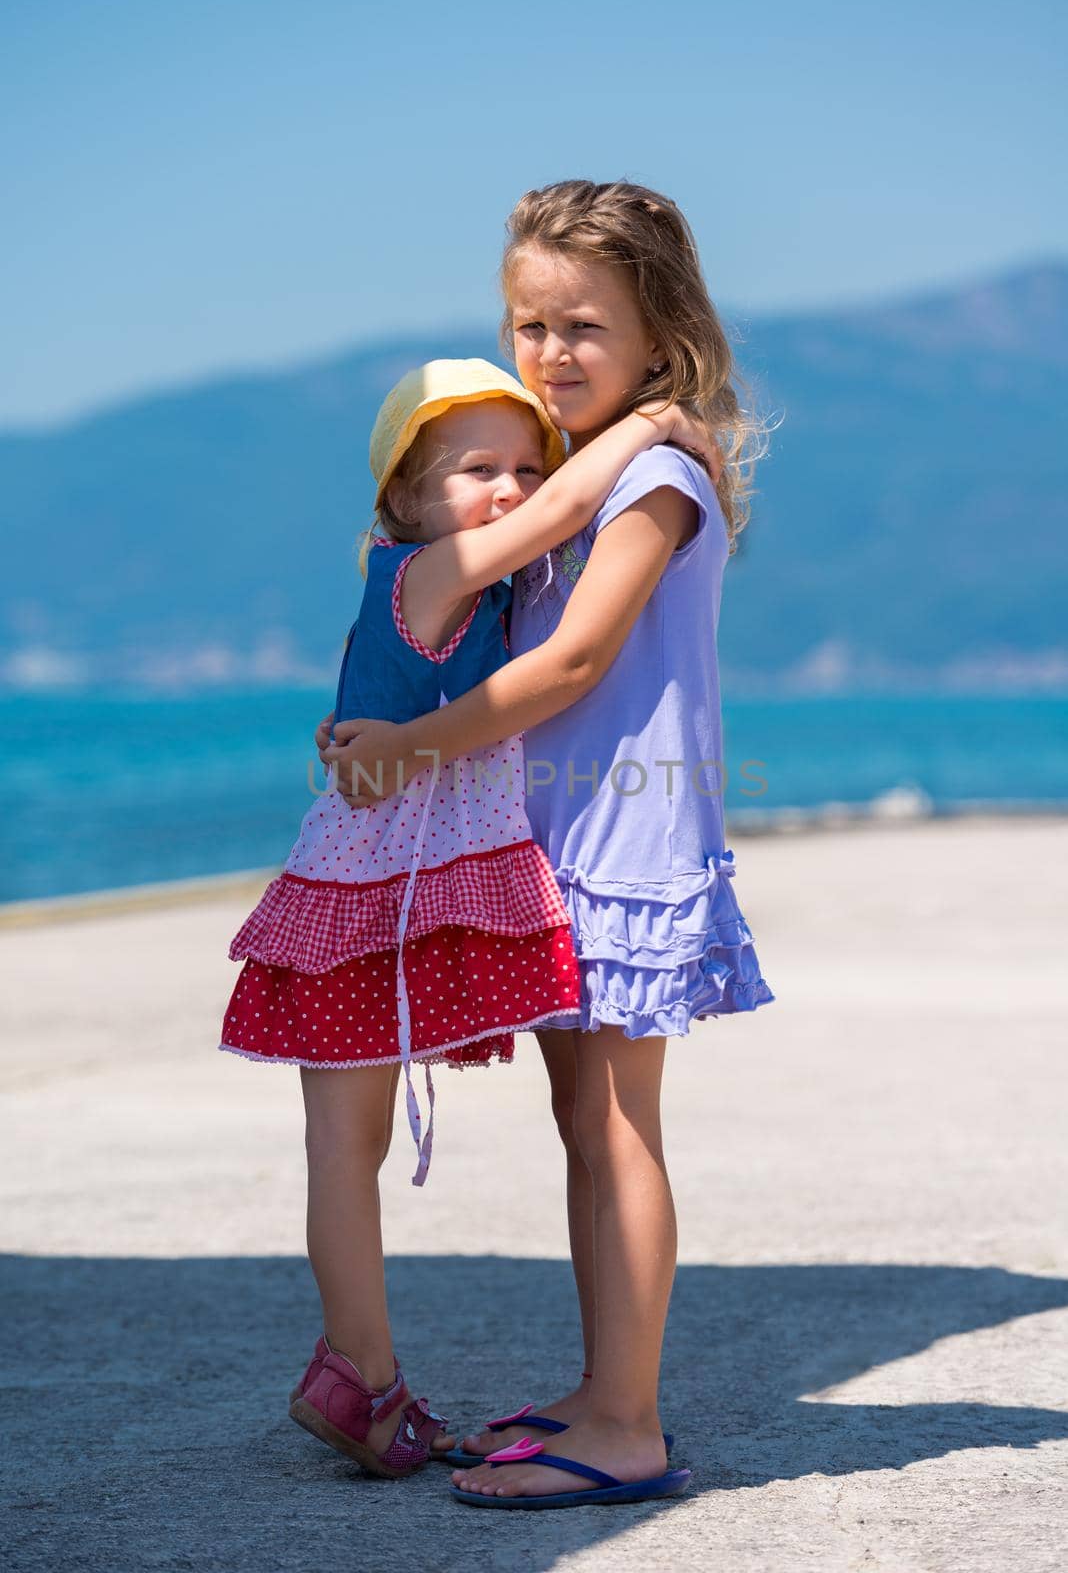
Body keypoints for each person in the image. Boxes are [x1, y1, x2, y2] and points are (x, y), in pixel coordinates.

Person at [321, 181, 775, 1509]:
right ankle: (600, 1387)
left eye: (585, 325)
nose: (550, 353)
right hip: (558, 837)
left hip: (627, 836)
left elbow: (576, 661)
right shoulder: (585, 468)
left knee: (621, 1124)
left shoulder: (655, 475)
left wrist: (415, 750)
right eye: (530, 323)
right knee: (586, 1118)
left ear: (659, 332)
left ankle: (628, 1425)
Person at [222, 355, 713, 1481]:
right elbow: (563, 512)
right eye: (474, 469)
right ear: (404, 499)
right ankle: (363, 1374)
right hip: (372, 895)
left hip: (370, 879)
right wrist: (656, 426)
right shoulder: (437, 568)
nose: (508, 488)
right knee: (347, 1147)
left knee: (348, 1145)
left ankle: (362, 1373)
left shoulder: (444, 583)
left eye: (522, 463)